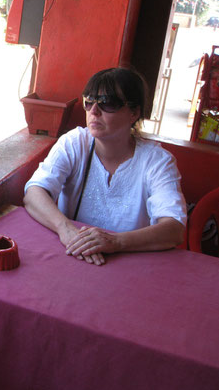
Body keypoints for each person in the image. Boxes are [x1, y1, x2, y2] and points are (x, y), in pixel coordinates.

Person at [23, 67, 187, 266]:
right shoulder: (75, 143)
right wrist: (65, 229)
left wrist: (115, 242)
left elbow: (174, 229)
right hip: (72, 256)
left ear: (134, 112)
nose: (94, 111)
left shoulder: (157, 161)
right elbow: (34, 193)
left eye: (108, 103)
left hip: (130, 266)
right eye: (89, 102)